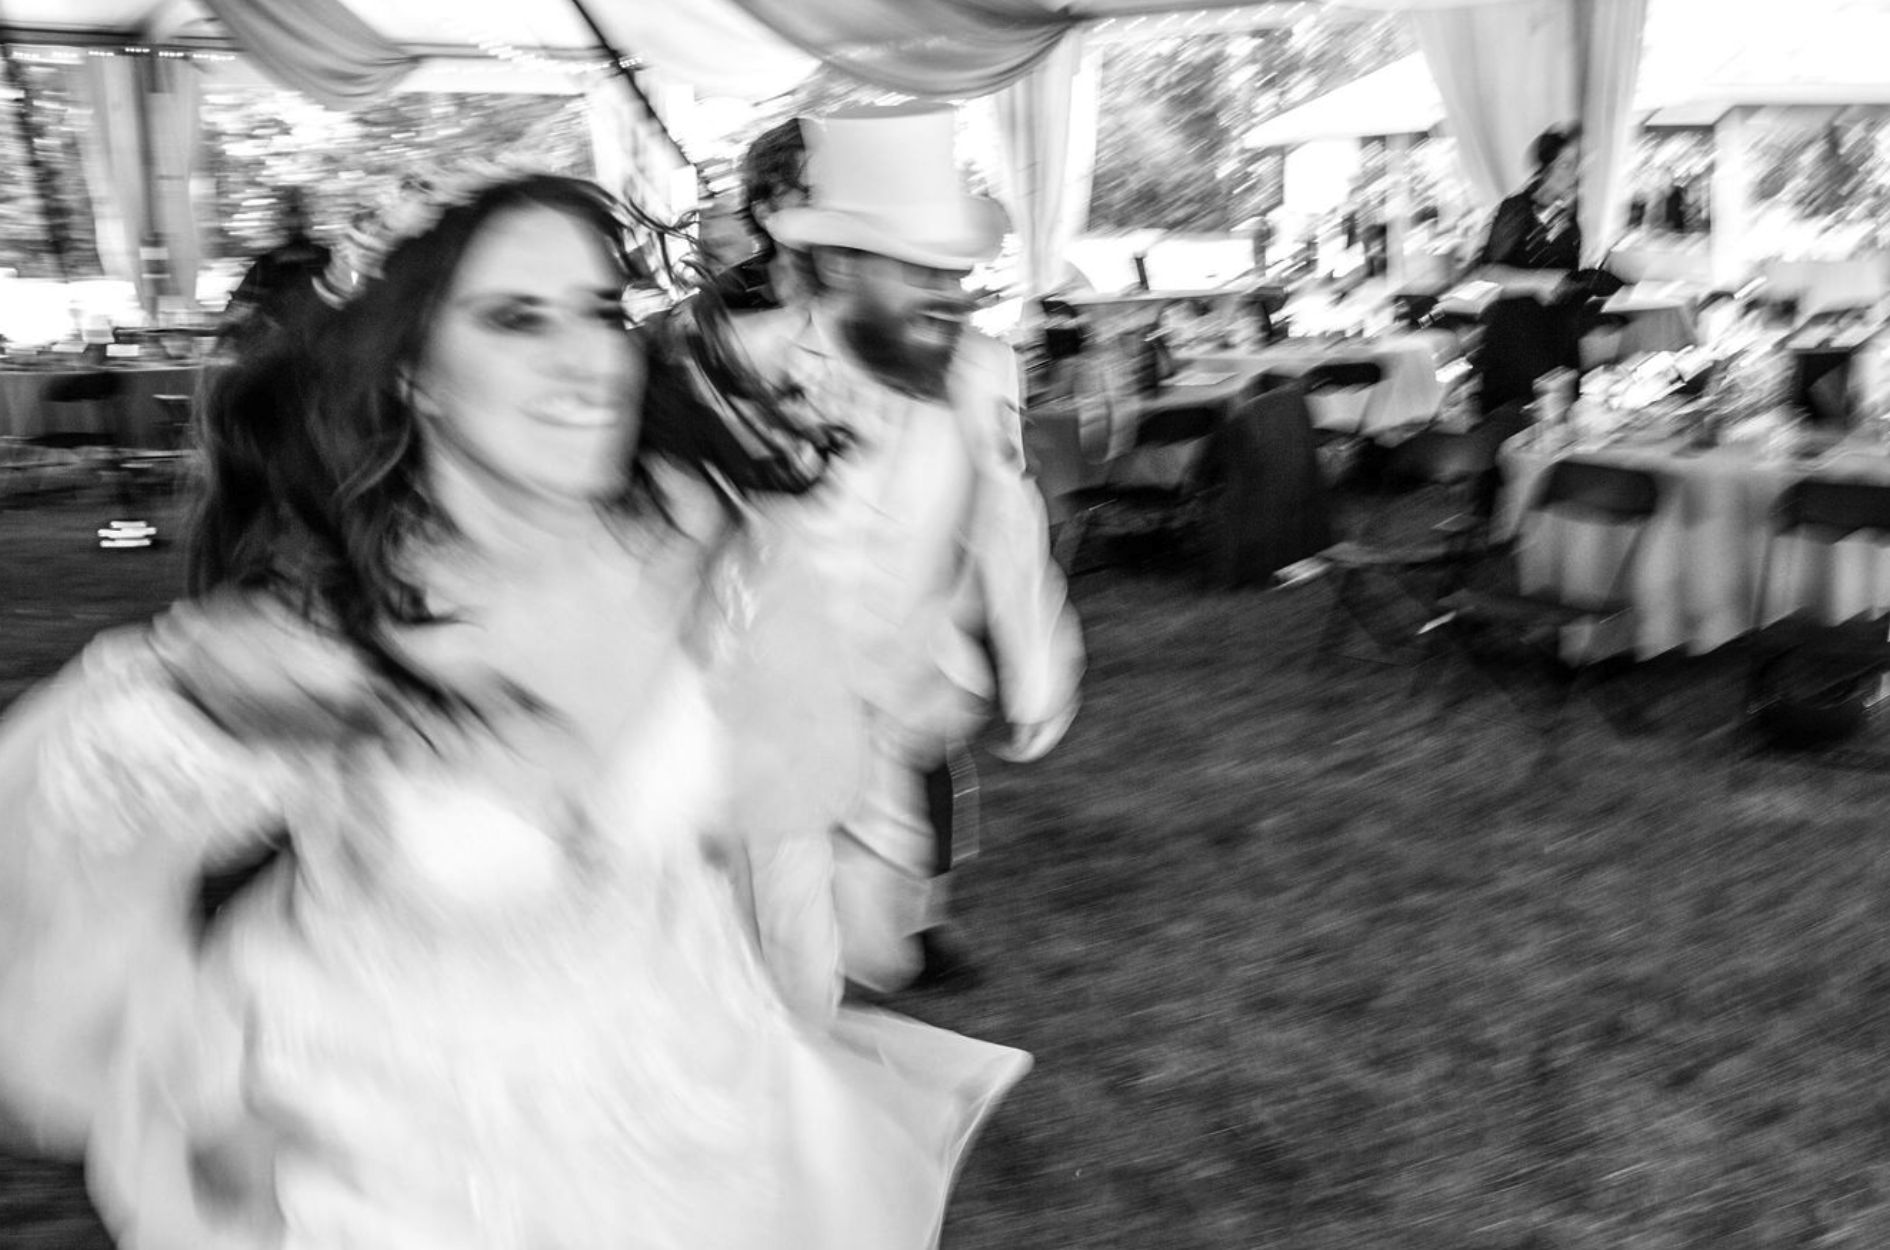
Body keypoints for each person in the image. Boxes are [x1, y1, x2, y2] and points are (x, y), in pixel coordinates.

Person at [0, 172, 1027, 1247]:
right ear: (415, 378)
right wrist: (206, 1111)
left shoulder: (697, 540)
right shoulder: (321, 636)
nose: (587, 356)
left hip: (689, 1103)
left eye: (597, 310)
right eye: (514, 318)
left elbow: (801, 767)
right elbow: (55, 884)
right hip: (397, 1153)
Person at [693, 104, 1084, 996]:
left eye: (958, 273)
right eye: (920, 271)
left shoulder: (981, 370)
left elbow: (1006, 522)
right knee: (773, 965)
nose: (951, 295)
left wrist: (1036, 668)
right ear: (836, 263)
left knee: (870, 949)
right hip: (758, 731)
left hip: (899, 708)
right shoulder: (730, 365)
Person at [216, 187, 331, 348]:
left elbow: (239, 310)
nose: (295, 221)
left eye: (297, 214)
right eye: (291, 214)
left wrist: (227, 333)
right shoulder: (326, 258)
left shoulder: (267, 264)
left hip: (285, 351)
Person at [1477, 125, 1584, 274]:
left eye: (1576, 165)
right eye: (1566, 165)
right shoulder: (1516, 209)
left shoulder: (1564, 212)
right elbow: (1487, 273)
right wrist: (1537, 282)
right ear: (1545, 170)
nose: (1574, 174)